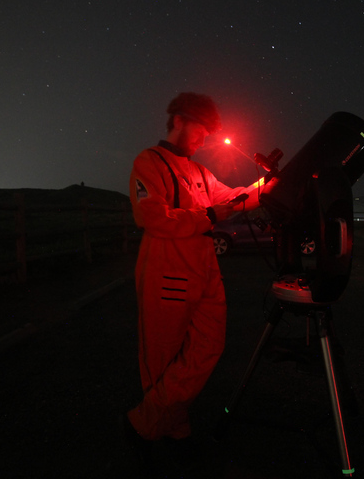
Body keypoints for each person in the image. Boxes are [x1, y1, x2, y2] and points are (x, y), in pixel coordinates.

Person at [125, 92, 263, 470]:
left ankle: (144, 423)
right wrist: (209, 216)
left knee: (208, 348)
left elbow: (233, 199)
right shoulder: (149, 162)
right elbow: (152, 218)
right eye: (202, 130)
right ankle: (175, 431)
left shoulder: (200, 172)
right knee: (162, 357)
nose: (205, 139)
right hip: (166, 270)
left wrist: (268, 184)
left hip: (204, 271)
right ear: (180, 120)